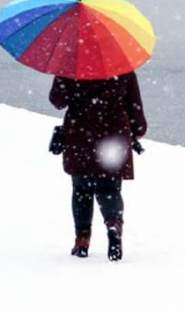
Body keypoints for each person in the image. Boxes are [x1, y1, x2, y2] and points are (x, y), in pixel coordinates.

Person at [49, 71, 147, 261]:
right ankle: (113, 225)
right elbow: (134, 105)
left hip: (80, 133)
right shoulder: (121, 66)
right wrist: (138, 130)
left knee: (81, 189)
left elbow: (57, 101)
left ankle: (82, 240)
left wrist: (62, 77)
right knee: (109, 188)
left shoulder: (71, 65)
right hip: (113, 133)